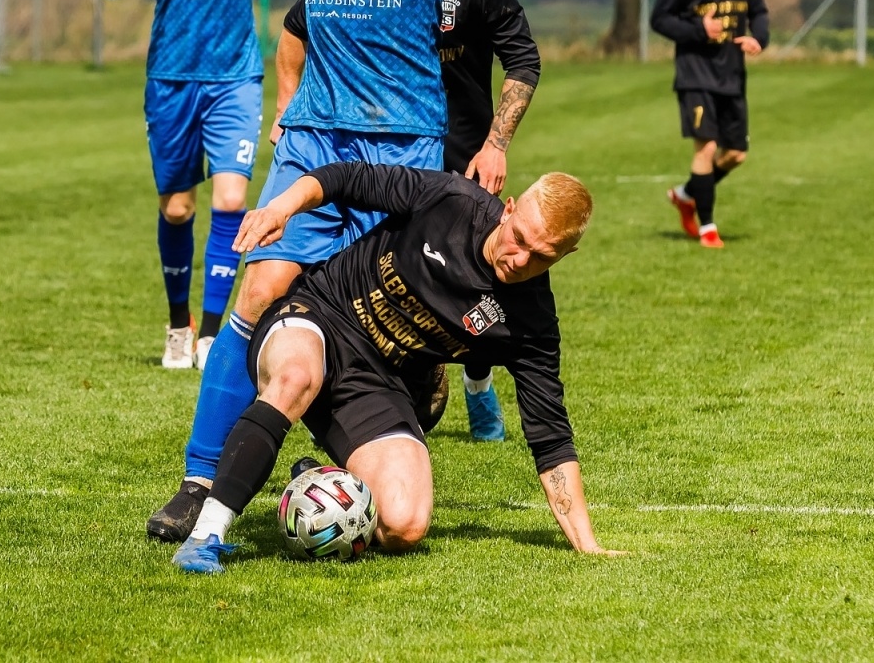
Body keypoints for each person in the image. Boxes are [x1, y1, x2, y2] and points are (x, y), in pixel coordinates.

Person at [146, 0, 567, 541]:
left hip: (401, 149)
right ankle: (202, 481)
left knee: (387, 327)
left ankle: (340, 467)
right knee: (256, 290)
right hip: (314, 140)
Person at [169, 162, 621, 573]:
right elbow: (346, 179)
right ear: (508, 210)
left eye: (541, 256)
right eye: (519, 237)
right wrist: (282, 208)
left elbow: (551, 437)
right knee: (295, 377)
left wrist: (588, 545)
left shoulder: (531, 324)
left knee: (405, 524)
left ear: (566, 255)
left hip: (376, 383)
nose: (519, 259)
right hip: (319, 315)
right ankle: (206, 534)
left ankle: (320, 481)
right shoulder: (449, 200)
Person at [276, 0, 541, 441]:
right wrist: (285, 109)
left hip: (463, 162)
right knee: (366, 279)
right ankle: (350, 405)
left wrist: (495, 144)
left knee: (480, 286)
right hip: (388, 155)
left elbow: (524, 58)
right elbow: (298, 23)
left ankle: (477, 382)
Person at [101, 0, 304, 369]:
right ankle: (177, 326)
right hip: (172, 77)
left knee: (233, 200)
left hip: (236, 76)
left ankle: (214, 334)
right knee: (177, 211)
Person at [648, 0, 769, 249]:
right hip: (695, 74)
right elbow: (660, 19)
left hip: (732, 74)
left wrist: (757, 38)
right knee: (707, 146)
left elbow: (759, 12)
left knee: (735, 154)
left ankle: (687, 194)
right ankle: (708, 228)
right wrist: (700, 30)